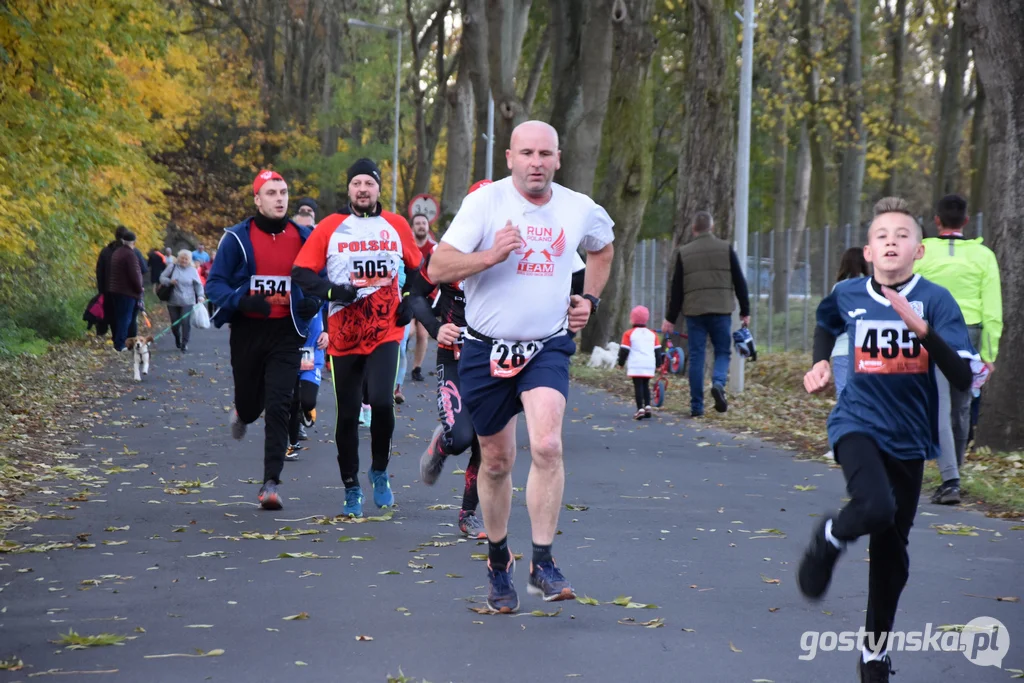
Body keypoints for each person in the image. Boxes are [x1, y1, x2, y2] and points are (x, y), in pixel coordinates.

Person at [427, 121, 615, 613]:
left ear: (558, 158)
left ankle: (543, 561)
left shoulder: (577, 207)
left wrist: (589, 299)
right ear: (509, 157)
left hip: (547, 346)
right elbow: (438, 268)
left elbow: (603, 246)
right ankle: (497, 561)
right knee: (496, 461)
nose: (536, 162)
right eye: (527, 153)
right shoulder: (485, 204)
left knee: (548, 445)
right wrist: (491, 254)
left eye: (545, 154)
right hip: (485, 348)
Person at [799, 197, 977, 682]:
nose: (892, 242)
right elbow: (825, 321)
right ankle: (831, 536)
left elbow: (962, 376)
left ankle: (874, 653)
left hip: (910, 437)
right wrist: (819, 362)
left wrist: (923, 331)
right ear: (868, 252)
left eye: (902, 235)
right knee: (874, 506)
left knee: (893, 555)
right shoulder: (849, 293)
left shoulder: (937, 301)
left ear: (919, 250)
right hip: (856, 422)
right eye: (882, 236)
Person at [292, 158, 422, 518]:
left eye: (369, 183)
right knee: (347, 414)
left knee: (381, 402)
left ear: (379, 189)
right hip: (344, 334)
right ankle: (351, 486)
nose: (362, 189)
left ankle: (379, 470)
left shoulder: (395, 225)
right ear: (348, 189)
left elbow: (419, 270)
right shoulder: (331, 227)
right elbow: (301, 272)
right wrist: (333, 293)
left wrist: (410, 302)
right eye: (356, 183)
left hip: (386, 329)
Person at [205, 170, 323, 511]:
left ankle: (270, 483)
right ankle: (242, 411)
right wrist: (242, 301)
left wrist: (313, 302)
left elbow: (322, 279)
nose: (280, 198)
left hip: (287, 332)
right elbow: (215, 285)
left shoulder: (302, 237)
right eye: (271, 192)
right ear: (257, 199)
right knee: (252, 403)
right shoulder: (236, 239)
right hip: (248, 331)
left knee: (280, 403)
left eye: (284, 192)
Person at [412, 179, 493, 539]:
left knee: (488, 443)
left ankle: (468, 514)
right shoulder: (447, 253)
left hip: (498, 362)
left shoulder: (510, 252)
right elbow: (413, 294)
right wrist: (434, 328)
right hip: (455, 357)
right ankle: (440, 445)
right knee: (460, 437)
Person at [914, 193, 1002, 505]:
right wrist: (989, 355)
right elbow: (993, 310)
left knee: (938, 404)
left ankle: (951, 478)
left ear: (937, 220)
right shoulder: (984, 256)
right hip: (970, 336)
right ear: (966, 221)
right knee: (961, 407)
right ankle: (956, 470)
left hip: (933, 332)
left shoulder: (922, 253)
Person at [662, 212, 749, 417]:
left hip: (695, 312)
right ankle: (718, 383)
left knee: (697, 356)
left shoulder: (684, 252)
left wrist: (670, 319)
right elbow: (739, 281)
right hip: (721, 311)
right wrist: (745, 311)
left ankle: (696, 407)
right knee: (722, 352)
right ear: (712, 227)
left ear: (694, 229)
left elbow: (677, 290)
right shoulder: (726, 248)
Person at [287, 303, 329, 458]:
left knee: (307, 401)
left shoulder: (318, 288)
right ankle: (293, 444)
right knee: (292, 401)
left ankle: (305, 410)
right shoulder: (289, 291)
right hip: (289, 352)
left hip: (312, 352)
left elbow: (331, 308)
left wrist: (327, 332)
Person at [831, 248, 871, 397]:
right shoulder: (874, 286)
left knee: (844, 395)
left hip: (843, 348)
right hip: (868, 349)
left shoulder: (839, 288)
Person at [617, 306, 662, 420]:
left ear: (632, 319)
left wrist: (620, 363)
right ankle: (647, 406)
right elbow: (657, 351)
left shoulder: (629, 333)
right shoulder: (652, 334)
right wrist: (658, 365)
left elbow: (624, 351)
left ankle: (639, 409)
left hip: (636, 364)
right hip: (649, 363)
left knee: (638, 386)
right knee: (646, 385)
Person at [408, 212, 436, 383]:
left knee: (422, 333)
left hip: (429, 296)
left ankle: (416, 368)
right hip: (410, 294)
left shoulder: (434, 248)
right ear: (413, 227)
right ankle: (401, 354)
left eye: (423, 223)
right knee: (409, 331)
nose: (420, 226)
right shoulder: (408, 246)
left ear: (428, 226)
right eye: (417, 223)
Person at [160, 250, 205, 353]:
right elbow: (162, 277)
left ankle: (184, 343)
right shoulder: (172, 267)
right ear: (178, 258)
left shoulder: (192, 270)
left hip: (188, 300)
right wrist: (169, 281)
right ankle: (177, 337)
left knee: (185, 322)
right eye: (182, 258)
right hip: (173, 300)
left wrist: (200, 296)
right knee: (175, 324)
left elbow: (198, 284)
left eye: (186, 259)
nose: (184, 260)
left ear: (189, 260)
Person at [107, 230, 144, 351]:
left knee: (120, 317)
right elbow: (135, 275)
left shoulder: (117, 252)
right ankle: (121, 344)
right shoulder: (130, 255)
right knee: (126, 318)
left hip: (115, 289)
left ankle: (120, 341)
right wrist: (139, 290)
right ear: (134, 242)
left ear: (123, 240)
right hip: (127, 292)